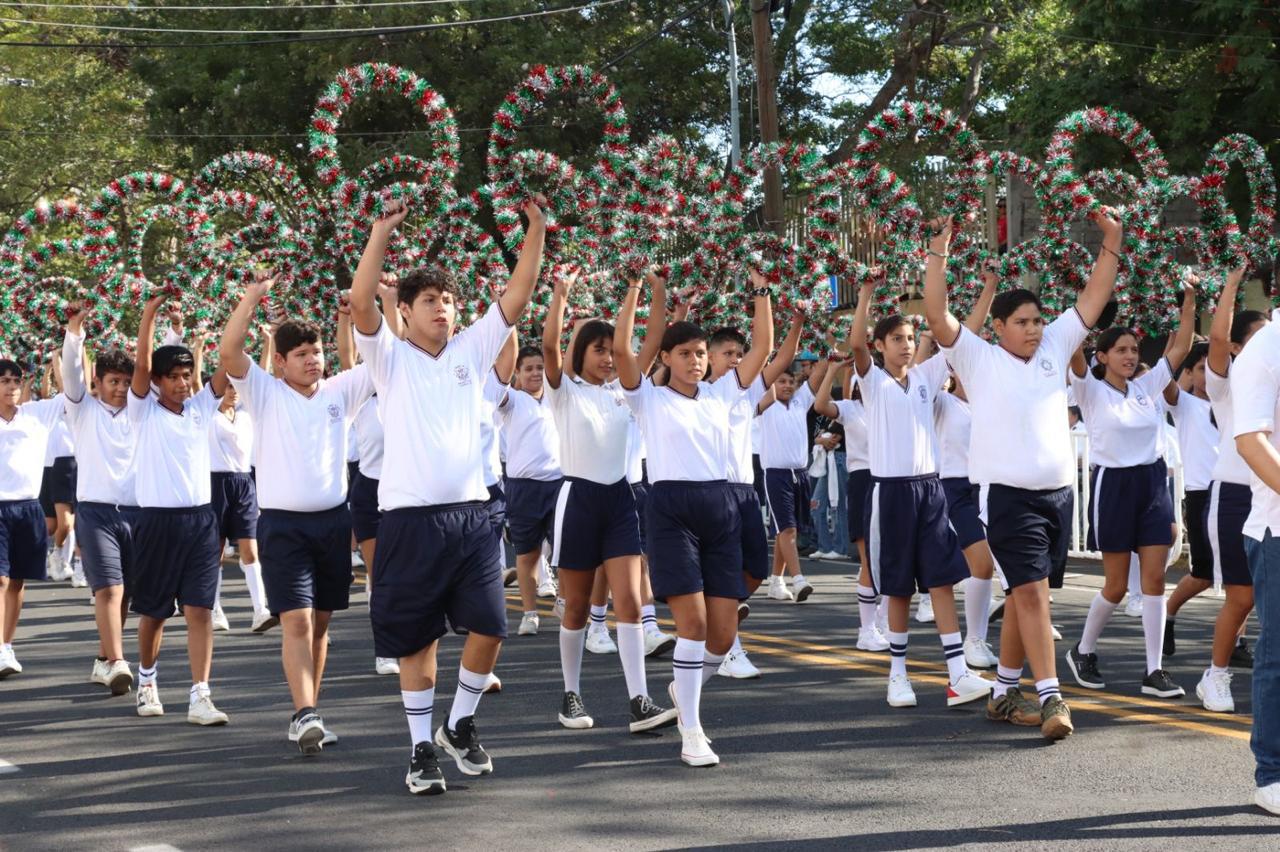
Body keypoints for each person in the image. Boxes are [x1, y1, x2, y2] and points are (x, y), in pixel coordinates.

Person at [351, 197, 545, 795]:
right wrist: (381, 233)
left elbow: (518, 294)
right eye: (429, 301)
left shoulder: (471, 349)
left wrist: (535, 227)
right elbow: (361, 304)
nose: (443, 308)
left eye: (449, 300)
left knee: (489, 629)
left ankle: (458, 724)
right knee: (418, 640)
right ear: (404, 312)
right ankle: (418, 750)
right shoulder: (387, 358)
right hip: (409, 520)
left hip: (473, 517)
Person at [925, 207, 1124, 740]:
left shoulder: (1057, 345)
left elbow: (1095, 296)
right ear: (998, 328)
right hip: (1006, 496)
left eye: (1038, 320)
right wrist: (939, 250)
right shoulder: (976, 358)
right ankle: (1052, 696)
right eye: (1022, 322)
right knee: (1033, 595)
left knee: (1023, 595)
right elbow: (937, 312)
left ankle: (1001, 691)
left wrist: (1113, 238)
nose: (1034, 329)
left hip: (1058, 495)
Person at [615, 269, 773, 767]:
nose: (696, 361)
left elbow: (763, 347)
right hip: (671, 512)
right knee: (695, 624)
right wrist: (648, 291)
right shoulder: (648, 398)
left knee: (723, 636)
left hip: (721, 509)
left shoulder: (724, 394)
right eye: (684, 353)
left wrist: (762, 289)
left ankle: (685, 691)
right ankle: (693, 730)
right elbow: (623, 352)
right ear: (665, 358)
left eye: (701, 354)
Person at [221, 270, 375, 754]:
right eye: (301, 355)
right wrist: (251, 297)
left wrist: (378, 303)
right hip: (283, 526)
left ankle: (309, 710)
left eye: (317, 352)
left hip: (333, 523)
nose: (312, 361)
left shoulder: (338, 393)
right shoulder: (263, 394)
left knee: (322, 624)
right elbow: (229, 352)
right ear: (281, 362)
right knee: (298, 622)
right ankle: (304, 712)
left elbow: (381, 357)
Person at [841, 276, 992, 710]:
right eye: (896, 339)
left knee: (941, 580)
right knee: (899, 588)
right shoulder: (872, 381)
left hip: (931, 491)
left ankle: (958, 674)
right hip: (890, 493)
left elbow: (964, 336)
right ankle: (897, 675)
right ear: (881, 345)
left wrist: (988, 290)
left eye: (910, 338)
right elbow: (855, 345)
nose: (906, 345)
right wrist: (866, 294)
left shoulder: (927, 376)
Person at [542, 269, 677, 732]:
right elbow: (547, 348)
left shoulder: (625, 391)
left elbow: (653, 339)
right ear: (581, 353)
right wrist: (560, 295)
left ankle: (640, 699)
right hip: (577, 498)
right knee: (577, 607)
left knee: (631, 605)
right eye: (597, 349)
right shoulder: (563, 391)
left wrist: (655, 287)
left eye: (609, 349)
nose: (606, 356)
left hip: (620, 500)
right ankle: (571, 695)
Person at [1063, 282, 1195, 698]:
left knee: (1155, 579)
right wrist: (1086, 306)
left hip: (1152, 483)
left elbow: (1181, 347)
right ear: (1101, 357)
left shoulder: (1146, 387)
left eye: (1133, 350)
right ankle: (1083, 651)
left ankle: (1153, 671)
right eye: (1120, 350)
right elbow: (1073, 349)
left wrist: (1190, 301)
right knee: (1117, 586)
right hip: (1113, 486)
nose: (1130, 355)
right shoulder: (1089, 388)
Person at [127, 294, 229, 726]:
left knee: (200, 609)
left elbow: (227, 365)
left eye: (187, 375)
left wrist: (248, 304)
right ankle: (147, 681)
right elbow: (141, 363)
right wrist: (149, 315)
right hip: (156, 523)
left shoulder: (202, 408)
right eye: (173, 377)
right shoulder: (142, 410)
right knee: (154, 612)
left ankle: (200, 695)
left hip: (201, 522)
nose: (183, 383)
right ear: (157, 381)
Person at [704, 296, 803, 678]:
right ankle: (730, 649)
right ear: (710, 358)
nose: (735, 358)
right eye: (727, 353)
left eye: (739, 353)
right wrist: (761, 294)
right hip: (715, 492)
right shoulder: (703, 392)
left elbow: (777, 356)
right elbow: (764, 349)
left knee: (755, 571)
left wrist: (795, 322)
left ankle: (721, 621)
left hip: (745, 492)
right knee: (726, 573)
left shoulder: (746, 394)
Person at [1195, 267, 1269, 713]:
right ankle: (1215, 675)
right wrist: (1231, 284)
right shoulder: (1227, 382)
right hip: (1236, 496)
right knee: (1242, 597)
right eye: (1257, 338)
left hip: (1273, 496)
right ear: (1241, 347)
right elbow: (1217, 340)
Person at [60, 303, 138, 694]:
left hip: (137, 514)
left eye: (126, 382)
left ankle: (106, 657)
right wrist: (75, 332)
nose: (121, 389)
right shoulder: (82, 410)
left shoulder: (141, 412)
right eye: (113, 382)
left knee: (124, 593)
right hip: (96, 512)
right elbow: (71, 373)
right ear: (98, 382)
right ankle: (120, 662)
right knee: (108, 589)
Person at [1228, 291, 1280, 816]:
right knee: (1279, 656)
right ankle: (1272, 773)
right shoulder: (1267, 348)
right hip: (1278, 531)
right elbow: (1250, 441)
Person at [0, 357, 65, 678]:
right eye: (4, 381)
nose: (11, 387)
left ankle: (7, 645)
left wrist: (69, 346)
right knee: (0, 579)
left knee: (17, 581)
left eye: (15, 381)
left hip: (27, 508)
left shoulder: (37, 415)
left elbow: (72, 393)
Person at [499, 344, 563, 638]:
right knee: (527, 554)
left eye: (540, 367)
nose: (536, 373)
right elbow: (496, 373)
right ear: (518, 373)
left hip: (560, 484)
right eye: (529, 368)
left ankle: (564, 601)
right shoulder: (510, 400)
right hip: (523, 488)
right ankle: (530, 613)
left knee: (566, 551)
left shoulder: (558, 397)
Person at [1163, 338, 1218, 657]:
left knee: (1243, 577)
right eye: (1201, 369)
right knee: (1204, 575)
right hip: (1201, 496)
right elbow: (1166, 381)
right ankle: (1168, 615)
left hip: (1238, 493)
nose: (1209, 375)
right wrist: (1178, 337)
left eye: (1214, 368)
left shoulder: (1234, 406)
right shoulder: (1184, 404)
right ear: (1191, 373)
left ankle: (1237, 641)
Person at [758, 361, 829, 603]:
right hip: (776, 475)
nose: (787, 386)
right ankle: (798, 579)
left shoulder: (800, 401)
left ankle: (776, 581)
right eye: (781, 381)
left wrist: (829, 356)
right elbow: (762, 375)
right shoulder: (765, 404)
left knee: (788, 529)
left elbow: (818, 374)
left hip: (800, 474)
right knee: (787, 528)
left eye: (790, 382)